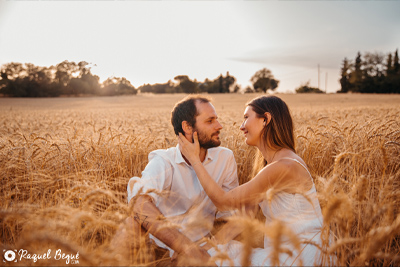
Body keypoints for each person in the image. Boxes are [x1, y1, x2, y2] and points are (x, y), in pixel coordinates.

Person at [178, 95, 328, 266]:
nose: (241, 127)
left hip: (300, 256)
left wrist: (194, 159)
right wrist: (209, 245)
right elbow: (247, 213)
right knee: (214, 254)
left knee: (213, 259)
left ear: (266, 119)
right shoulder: (274, 164)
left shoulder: (284, 166)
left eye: (246, 118)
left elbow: (224, 202)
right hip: (289, 252)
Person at [112, 95, 240, 266]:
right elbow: (138, 204)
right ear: (187, 126)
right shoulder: (164, 161)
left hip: (204, 247)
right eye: (210, 121)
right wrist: (186, 249)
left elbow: (231, 216)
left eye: (217, 119)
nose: (219, 126)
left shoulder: (225, 158)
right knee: (130, 225)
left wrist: (207, 248)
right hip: (159, 249)